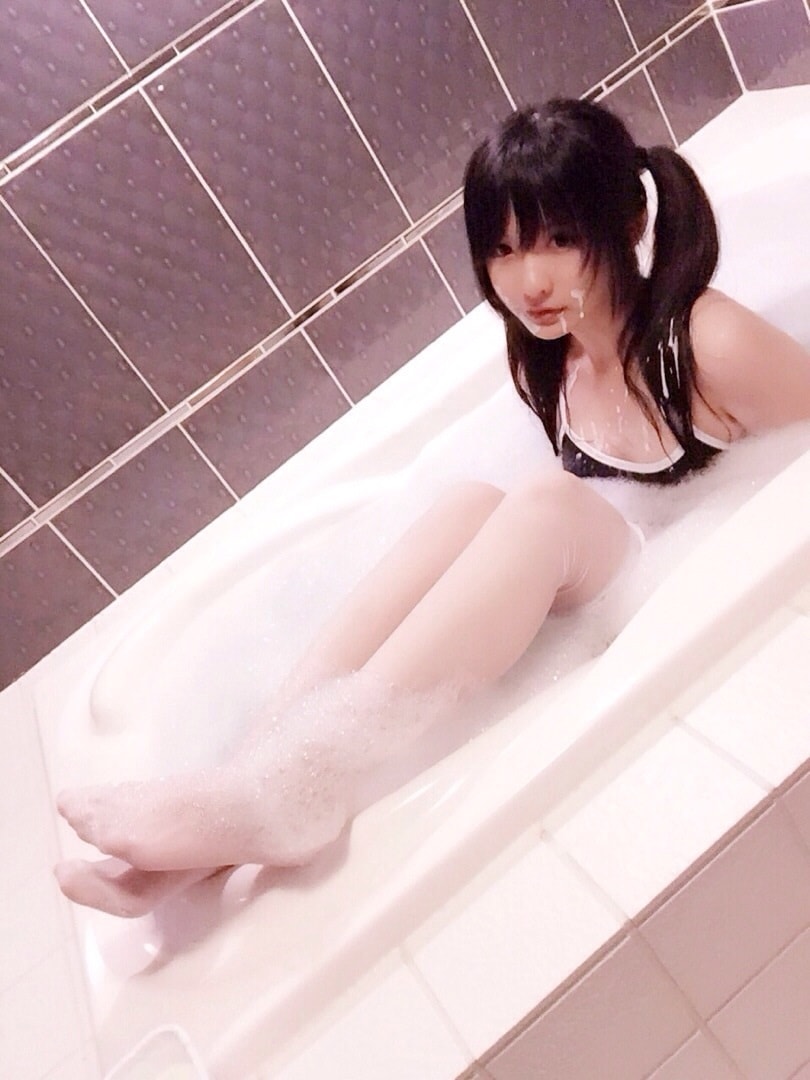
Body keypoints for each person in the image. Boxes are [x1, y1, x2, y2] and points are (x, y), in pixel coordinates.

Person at [55, 97, 810, 917]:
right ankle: (250, 784)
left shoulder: (706, 343)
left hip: (679, 583)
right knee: (466, 503)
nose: (530, 280)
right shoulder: (550, 359)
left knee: (545, 503)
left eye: (559, 239)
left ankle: (293, 790)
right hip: (596, 576)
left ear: (626, 222)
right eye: (505, 249)